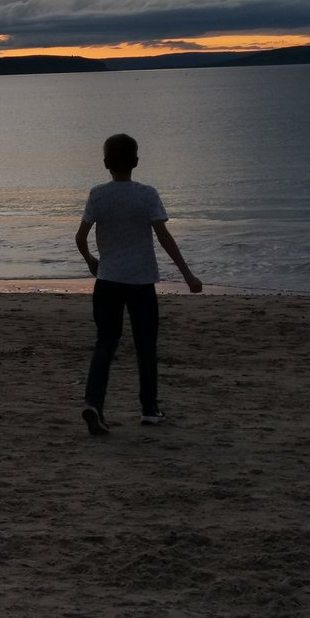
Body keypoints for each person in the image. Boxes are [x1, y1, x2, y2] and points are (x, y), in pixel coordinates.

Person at [75, 133, 202, 434]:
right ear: (136, 161)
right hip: (141, 282)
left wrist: (91, 260)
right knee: (145, 345)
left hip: (107, 281)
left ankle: (94, 403)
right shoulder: (147, 194)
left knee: (106, 343)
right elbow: (164, 237)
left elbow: (80, 237)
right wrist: (187, 274)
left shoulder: (98, 194)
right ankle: (149, 408)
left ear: (105, 163)